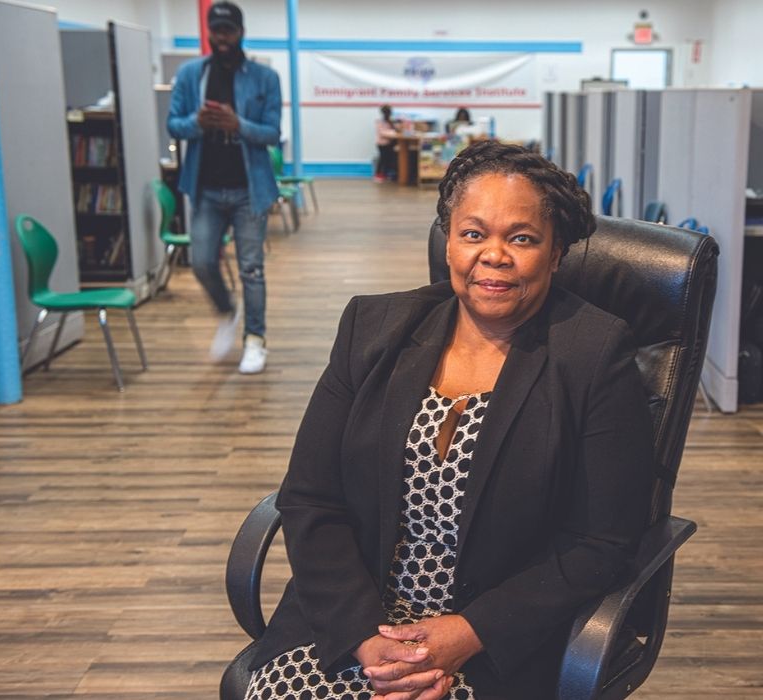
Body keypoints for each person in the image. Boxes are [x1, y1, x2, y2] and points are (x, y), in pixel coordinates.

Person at [243, 141, 654, 699]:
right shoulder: (373, 328)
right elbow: (311, 497)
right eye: (473, 233)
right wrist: (365, 636)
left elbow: (600, 542)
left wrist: (468, 633)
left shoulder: (595, 354)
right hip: (353, 619)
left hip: (494, 638)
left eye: (523, 238)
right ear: (449, 241)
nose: (494, 255)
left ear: (556, 254)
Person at [167, 1, 281, 373]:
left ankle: (255, 339)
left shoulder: (265, 78)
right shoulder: (190, 75)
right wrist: (199, 122)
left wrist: (238, 125)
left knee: (252, 269)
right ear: (209, 32)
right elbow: (173, 125)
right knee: (201, 262)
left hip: (250, 188)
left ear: (240, 32)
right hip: (206, 189)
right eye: (216, 31)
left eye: (228, 31)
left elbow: (272, 133)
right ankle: (227, 311)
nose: (222, 38)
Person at [375, 105, 400, 182]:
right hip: (382, 144)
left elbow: (396, 129)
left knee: (389, 159)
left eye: (389, 113)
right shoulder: (380, 121)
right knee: (382, 159)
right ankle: (378, 175)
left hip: (390, 144)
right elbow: (382, 133)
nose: (388, 114)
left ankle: (386, 174)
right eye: (387, 112)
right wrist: (394, 133)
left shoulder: (390, 121)